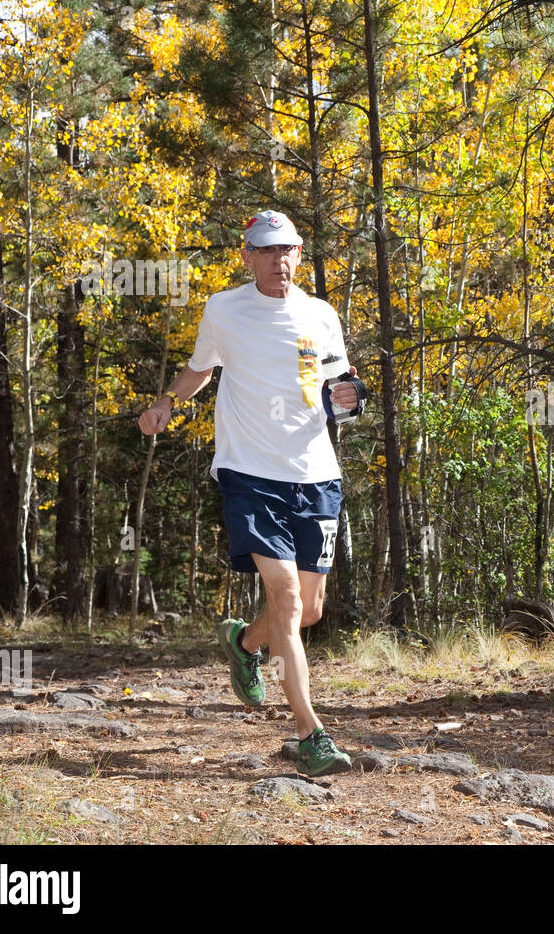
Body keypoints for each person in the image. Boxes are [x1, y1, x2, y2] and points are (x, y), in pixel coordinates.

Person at [138, 210, 364, 777]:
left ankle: (243, 645)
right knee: (286, 596)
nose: (278, 260)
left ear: (299, 253)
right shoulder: (224, 309)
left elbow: (343, 381)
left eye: (286, 249)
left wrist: (350, 397)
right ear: (247, 256)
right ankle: (311, 735)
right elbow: (200, 369)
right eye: (266, 250)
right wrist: (169, 400)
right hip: (250, 473)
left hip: (317, 474)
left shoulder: (320, 314)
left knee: (307, 610)